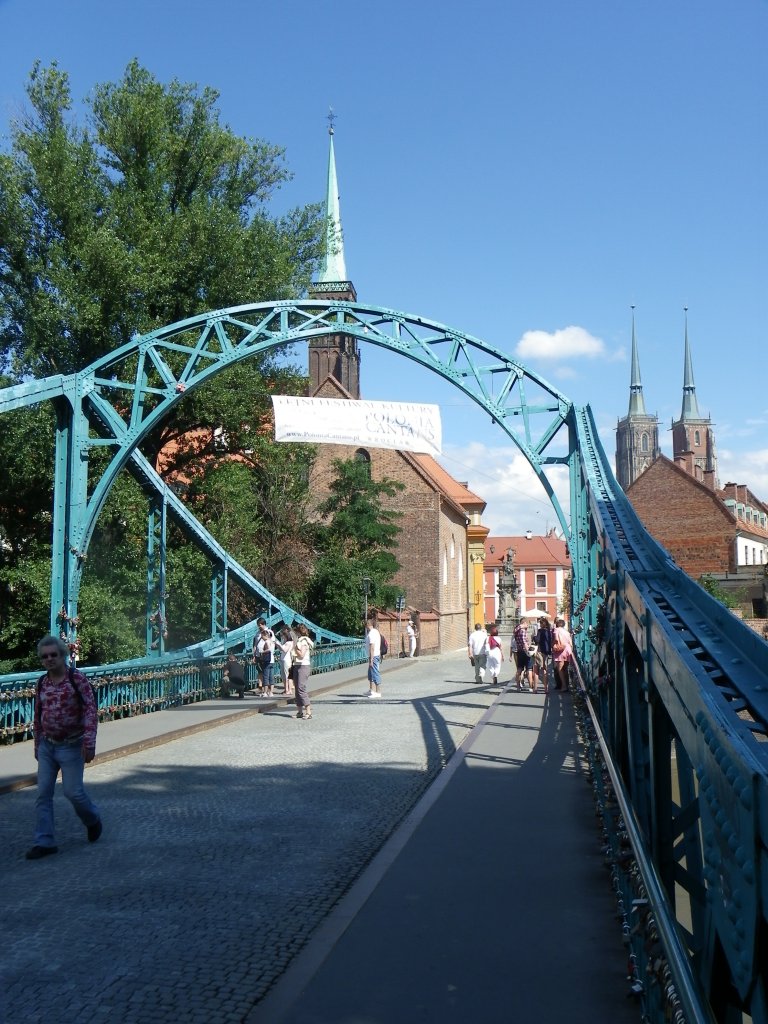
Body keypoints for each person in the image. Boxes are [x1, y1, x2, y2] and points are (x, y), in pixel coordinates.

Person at [26, 635, 102, 860]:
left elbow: (90, 710)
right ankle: (45, 841)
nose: (49, 659)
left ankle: (92, 819)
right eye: (44, 656)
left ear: (62, 655)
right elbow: (39, 714)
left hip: (72, 746)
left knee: (73, 792)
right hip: (48, 746)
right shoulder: (42, 682)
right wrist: (38, 744)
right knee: (42, 794)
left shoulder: (76, 679)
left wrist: (89, 743)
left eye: (53, 655)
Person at [292, 624, 314, 719]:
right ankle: (299, 712)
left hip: (303, 666)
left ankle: (308, 711)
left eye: (296, 632)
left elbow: (301, 655)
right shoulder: (299, 641)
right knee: (297, 689)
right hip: (297, 665)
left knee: (301, 688)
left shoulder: (304, 641)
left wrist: (295, 648)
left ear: (298, 632)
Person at [513, 619, 535, 691]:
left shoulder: (517, 631)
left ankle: (518, 686)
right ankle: (531, 687)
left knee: (519, 669)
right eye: (527, 624)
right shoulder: (522, 631)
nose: (528, 626)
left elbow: (515, 631)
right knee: (529, 669)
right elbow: (524, 642)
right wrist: (528, 650)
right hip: (525, 652)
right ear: (524, 623)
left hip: (519, 651)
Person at [254, 625, 276, 697]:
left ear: (264, 635)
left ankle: (265, 692)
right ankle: (271, 692)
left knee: (266, 676)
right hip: (272, 660)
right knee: (271, 676)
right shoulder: (272, 641)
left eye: (262, 636)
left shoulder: (266, 642)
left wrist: (262, 652)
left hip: (267, 660)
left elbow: (268, 649)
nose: (262, 638)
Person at [552, 618, 573, 691]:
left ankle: (564, 686)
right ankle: (567, 684)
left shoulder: (556, 630)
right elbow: (570, 642)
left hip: (560, 650)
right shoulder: (566, 632)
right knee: (565, 668)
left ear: (557, 624)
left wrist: (554, 645)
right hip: (567, 649)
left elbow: (556, 639)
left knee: (560, 668)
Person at [275, 627, 295, 696]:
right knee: (283, 675)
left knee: (287, 675)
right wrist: (277, 644)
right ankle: (286, 689)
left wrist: (278, 643)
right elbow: (281, 649)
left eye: (282, 635)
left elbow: (285, 650)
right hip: (283, 659)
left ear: (285, 635)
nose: (282, 637)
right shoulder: (285, 642)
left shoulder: (289, 642)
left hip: (287, 660)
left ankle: (289, 690)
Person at [534, 616, 553, 690]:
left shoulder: (540, 631)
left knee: (536, 670)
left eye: (540, 623)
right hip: (546, 652)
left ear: (542, 624)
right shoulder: (548, 631)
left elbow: (537, 640)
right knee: (545, 670)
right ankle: (546, 688)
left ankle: (535, 689)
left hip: (539, 651)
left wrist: (534, 637)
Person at [366, 617, 382, 698]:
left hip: (374, 656)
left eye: (366, 625)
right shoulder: (375, 631)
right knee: (370, 674)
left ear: (368, 625)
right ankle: (371, 690)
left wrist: (371, 659)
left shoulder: (372, 633)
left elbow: (372, 646)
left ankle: (378, 692)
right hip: (374, 655)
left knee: (375, 673)